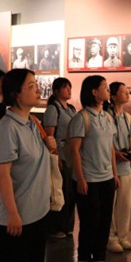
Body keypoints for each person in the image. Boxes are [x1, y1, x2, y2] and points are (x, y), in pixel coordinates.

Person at [0, 69, 56, 262]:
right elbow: (3, 174)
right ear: (15, 94)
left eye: (36, 84)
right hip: (17, 216)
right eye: (31, 86)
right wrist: (12, 213)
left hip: (38, 212)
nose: (38, 89)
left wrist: (49, 145)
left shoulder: (32, 122)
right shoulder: (7, 128)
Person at [69, 75, 119, 262]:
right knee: (90, 221)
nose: (108, 90)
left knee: (104, 221)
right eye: (105, 87)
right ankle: (83, 261)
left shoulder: (107, 117)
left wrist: (115, 174)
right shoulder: (81, 118)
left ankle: (99, 259)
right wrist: (80, 179)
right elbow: (74, 150)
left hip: (107, 178)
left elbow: (110, 147)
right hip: (89, 179)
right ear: (94, 92)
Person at [43, 77, 77, 239]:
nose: (69, 90)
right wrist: (56, 156)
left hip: (71, 156)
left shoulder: (71, 109)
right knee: (59, 191)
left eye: (70, 87)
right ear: (56, 91)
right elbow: (49, 136)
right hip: (60, 155)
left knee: (71, 192)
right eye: (65, 87)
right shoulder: (53, 109)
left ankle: (68, 226)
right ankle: (55, 227)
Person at [105, 82, 131, 253]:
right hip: (110, 167)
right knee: (110, 204)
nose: (127, 94)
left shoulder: (127, 117)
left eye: (127, 91)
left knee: (125, 204)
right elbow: (105, 142)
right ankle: (111, 238)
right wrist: (115, 153)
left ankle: (123, 236)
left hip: (125, 167)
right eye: (124, 92)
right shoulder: (106, 116)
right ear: (113, 96)